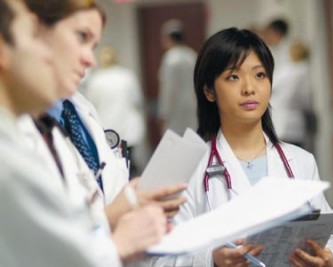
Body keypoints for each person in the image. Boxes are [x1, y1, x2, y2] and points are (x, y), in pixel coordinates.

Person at [0, 0, 166, 266]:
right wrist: (118, 245)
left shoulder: (61, 119)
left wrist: (121, 211)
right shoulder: (10, 154)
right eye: (32, 36)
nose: (89, 59)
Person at [169, 28, 333, 267]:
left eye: (260, 75)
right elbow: (161, 258)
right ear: (209, 91)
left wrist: (330, 261)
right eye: (233, 76)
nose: (249, 88)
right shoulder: (189, 169)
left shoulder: (301, 161)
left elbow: (326, 238)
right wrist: (211, 260)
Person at [86, 45, 146, 176]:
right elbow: (136, 99)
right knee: (129, 162)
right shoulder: (127, 76)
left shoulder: (96, 80)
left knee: (115, 165)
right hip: (128, 129)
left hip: (109, 130)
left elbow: (91, 105)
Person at [269, 40, 314, 149]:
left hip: (278, 122)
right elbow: (305, 99)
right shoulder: (304, 71)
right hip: (295, 123)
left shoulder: (284, 71)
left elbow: (270, 90)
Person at [157, 19, 197, 135]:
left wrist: (163, 113)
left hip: (175, 110)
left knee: (175, 142)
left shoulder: (170, 58)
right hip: (192, 107)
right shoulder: (191, 55)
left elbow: (168, 89)